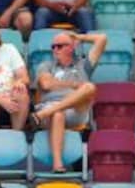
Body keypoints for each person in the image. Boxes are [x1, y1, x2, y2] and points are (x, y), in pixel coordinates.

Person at [30, 31, 105, 173]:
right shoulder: (46, 65)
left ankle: (45, 113)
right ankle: (57, 164)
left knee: (89, 87)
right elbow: (46, 84)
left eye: (59, 46)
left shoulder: (83, 65)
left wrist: (80, 37)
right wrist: (74, 85)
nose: (54, 50)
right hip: (51, 108)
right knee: (58, 113)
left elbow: (102, 39)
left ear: (71, 47)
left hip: (74, 110)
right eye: (53, 47)